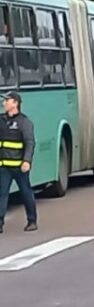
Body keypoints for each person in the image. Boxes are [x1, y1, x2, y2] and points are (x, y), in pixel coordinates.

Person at [0, 92, 37, 234]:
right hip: (4, 166)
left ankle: (32, 220)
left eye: (7, 101)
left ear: (15, 103)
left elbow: (30, 142)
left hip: (19, 167)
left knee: (26, 192)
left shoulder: (24, 122)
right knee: (2, 194)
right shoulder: (1, 120)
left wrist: (26, 161)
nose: (4, 103)